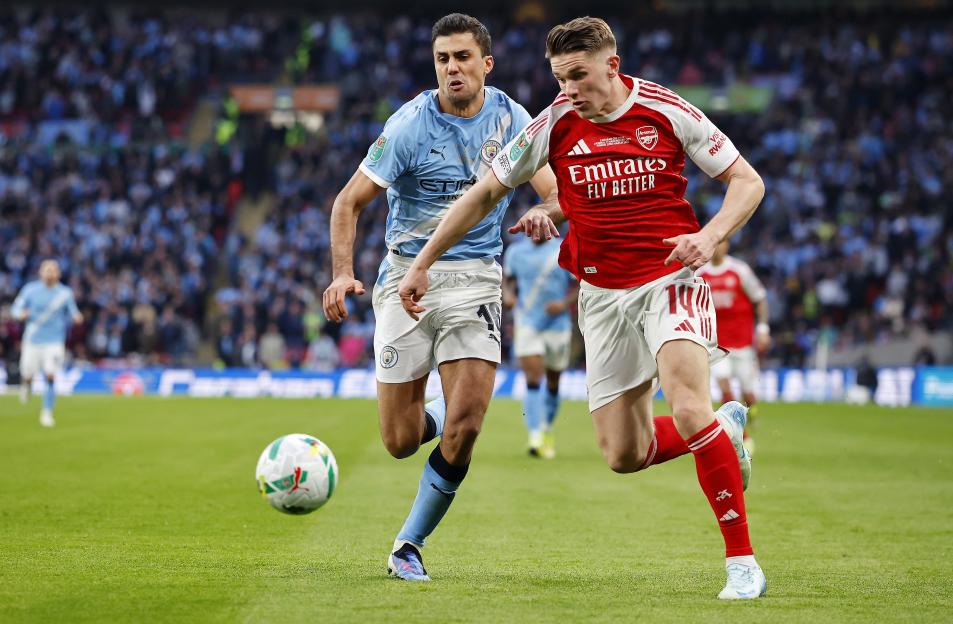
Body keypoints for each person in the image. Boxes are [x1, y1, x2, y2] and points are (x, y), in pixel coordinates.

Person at [396, 17, 767, 599]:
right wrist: (421, 263)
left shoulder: (668, 112)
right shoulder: (552, 125)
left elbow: (747, 181)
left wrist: (710, 235)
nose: (568, 89)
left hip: (672, 276)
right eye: (559, 77)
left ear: (611, 67)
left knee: (689, 403)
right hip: (601, 296)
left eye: (578, 75)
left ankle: (741, 563)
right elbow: (483, 194)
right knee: (624, 454)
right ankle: (723, 432)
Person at [321, 13, 557, 582]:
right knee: (400, 441)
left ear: (486, 64)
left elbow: (553, 192)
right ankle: (433, 409)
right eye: (443, 59)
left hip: (476, 275)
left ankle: (408, 544)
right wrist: (341, 273)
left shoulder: (512, 118)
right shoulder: (408, 126)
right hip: (405, 279)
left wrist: (546, 212)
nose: (453, 68)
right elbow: (347, 203)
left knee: (468, 424)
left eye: (463, 58)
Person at [502, 236, 576, 458]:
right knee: (533, 378)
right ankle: (535, 436)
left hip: (557, 324)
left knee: (553, 380)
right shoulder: (516, 252)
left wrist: (563, 304)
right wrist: (508, 296)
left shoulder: (564, 249)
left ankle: (546, 428)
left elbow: (581, 283)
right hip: (526, 321)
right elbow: (508, 281)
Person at [697, 240, 770, 451]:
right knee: (725, 387)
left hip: (743, 345)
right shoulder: (700, 274)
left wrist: (763, 329)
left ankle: (752, 411)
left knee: (748, 394)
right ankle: (743, 436)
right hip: (717, 345)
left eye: (721, 243)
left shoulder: (739, 270)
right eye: (715, 243)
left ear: (727, 246)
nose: (718, 247)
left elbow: (760, 297)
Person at [11, 259, 83, 427]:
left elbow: (73, 311)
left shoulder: (65, 293)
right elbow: (15, 309)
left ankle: (47, 412)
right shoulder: (30, 290)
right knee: (28, 373)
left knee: (51, 375)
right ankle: (26, 384)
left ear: (58, 273)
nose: (50, 273)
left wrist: (77, 317)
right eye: (47, 269)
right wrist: (20, 315)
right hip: (32, 340)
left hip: (55, 341)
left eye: (53, 270)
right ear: (40, 272)